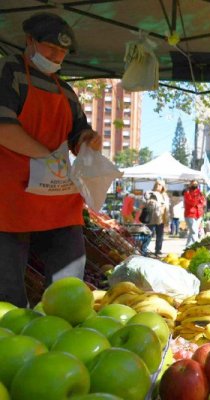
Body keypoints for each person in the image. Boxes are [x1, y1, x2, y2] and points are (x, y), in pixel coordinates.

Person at [0, 12, 102, 307]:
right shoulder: (9, 72)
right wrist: (46, 156)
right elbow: (4, 129)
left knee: (68, 280)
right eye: (50, 49)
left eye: (62, 53)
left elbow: (78, 134)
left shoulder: (66, 91)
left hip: (55, 196)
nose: (57, 56)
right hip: (10, 196)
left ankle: (60, 331)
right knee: (7, 288)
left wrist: (87, 141)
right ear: (29, 41)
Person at [141, 179, 169, 256]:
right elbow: (143, 203)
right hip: (151, 218)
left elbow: (167, 209)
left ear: (163, 186)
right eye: (157, 184)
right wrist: (149, 202)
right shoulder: (149, 193)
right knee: (148, 234)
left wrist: (167, 220)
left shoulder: (165, 196)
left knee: (160, 235)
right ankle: (143, 249)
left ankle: (158, 250)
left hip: (161, 218)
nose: (158, 186)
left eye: (160, 184)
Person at [184, 180, 206, 247]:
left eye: (196, 183)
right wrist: (198, 201)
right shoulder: (187, 193)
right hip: (190, 214)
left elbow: (203, 203)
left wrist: (200, 203)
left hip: (199, 214)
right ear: (190, 184)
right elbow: (191, 202)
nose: (194, 185)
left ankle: (188, 246)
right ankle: (195, 246)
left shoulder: (200, 193)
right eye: (193, 183)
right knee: (194, 231)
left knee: (192, 231)